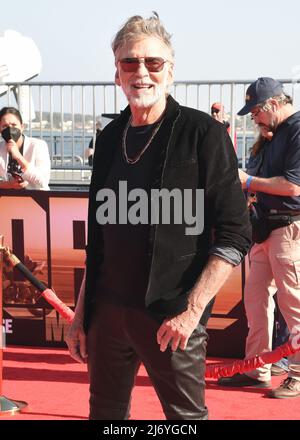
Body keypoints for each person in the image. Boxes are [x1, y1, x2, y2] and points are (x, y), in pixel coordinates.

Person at [66, 13, 251, 420]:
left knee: (185, 421)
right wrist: (82, 315)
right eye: (129, 63)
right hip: (108, 314)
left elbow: (236, 234)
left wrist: (191, 311)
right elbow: (99, 238)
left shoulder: (203, 134)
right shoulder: (111, 136)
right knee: (105, 416)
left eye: (153, 63)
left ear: (171, 73)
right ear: (117, 73)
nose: (141, 73)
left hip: (172, 316)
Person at [218, 77, 300, 398]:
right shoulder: (274, 134)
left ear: (273, 105)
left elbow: (294, 187)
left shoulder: (295, 130)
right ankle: (256, 368)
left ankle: (297, 372)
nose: (253, 118)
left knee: (293, 303)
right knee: (255, 302)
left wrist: (249, 181)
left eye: (255, 112)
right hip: (265, 229)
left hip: (288, 227)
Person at [0, 106, 51, 190]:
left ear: (22, 127)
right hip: (10, 199)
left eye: (14, 125)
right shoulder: (1, 148)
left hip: (37, 198)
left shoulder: (38, 145)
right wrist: (10, 185)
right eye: (5, 126)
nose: (10, 129)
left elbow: (43, 181)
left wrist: (19, 157)